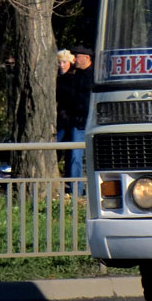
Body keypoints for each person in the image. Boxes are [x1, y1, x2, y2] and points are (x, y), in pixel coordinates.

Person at [66, 45, 93, 196]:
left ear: (87, 57)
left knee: (94, 158)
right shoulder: (74, 76)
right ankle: (76, 191)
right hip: (78, 123)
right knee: (75, 157)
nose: (75, 59)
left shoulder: (95, 76)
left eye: (78, 56)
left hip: (92, 122)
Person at [55, 49, 76, 175]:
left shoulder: (73, 78)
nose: (61, 65)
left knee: (70, 152)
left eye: (64, 62)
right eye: (59, 62)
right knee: (58, 147)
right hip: (61, 119)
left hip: (70, 119)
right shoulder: (57, 78)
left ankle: (69, 178)